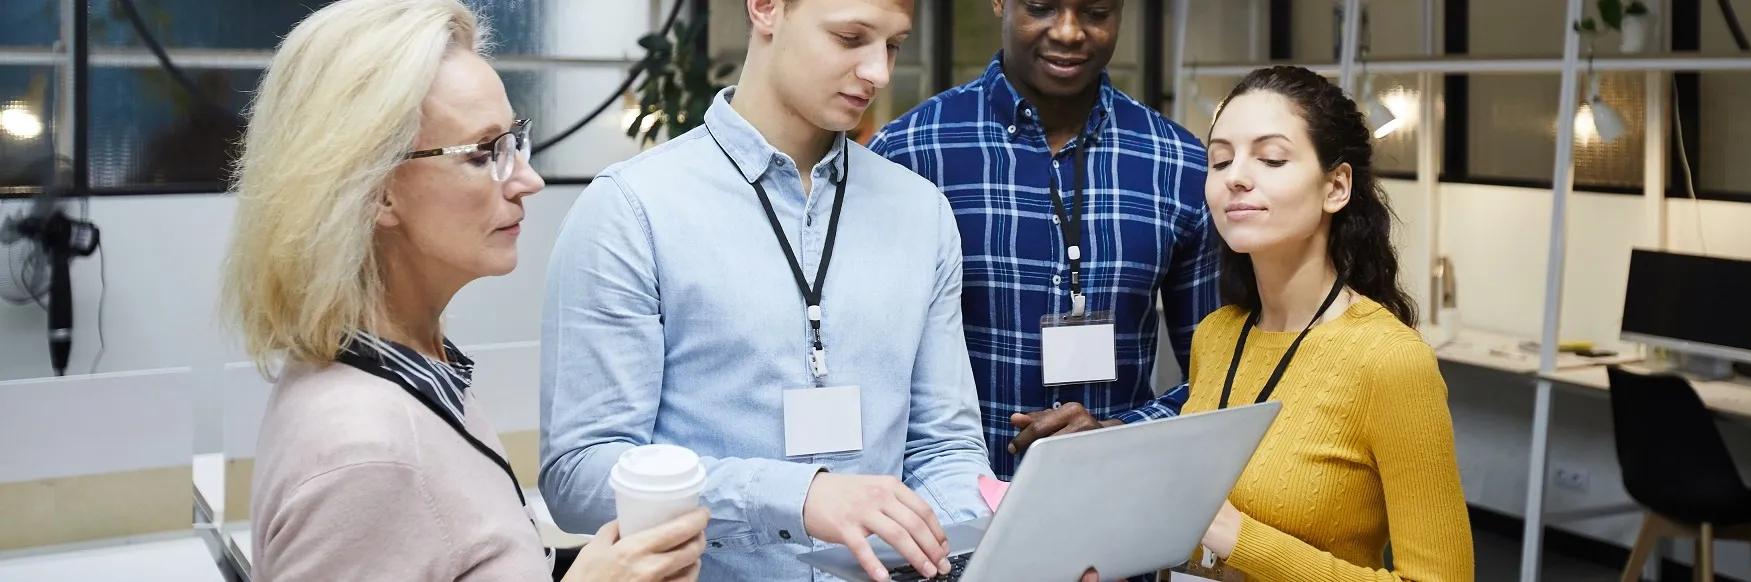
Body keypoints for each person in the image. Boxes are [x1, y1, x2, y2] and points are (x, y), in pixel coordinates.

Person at [223, 1, 707, 580]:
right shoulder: (366, 452)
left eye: (513, 141)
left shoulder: (416, 369)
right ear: (376, 191)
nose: (529, 179)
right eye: (483, 153)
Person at [538, 1, 1008, 581]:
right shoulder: (633, 209)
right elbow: (578, 475)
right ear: (764, 8)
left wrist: (984, 536)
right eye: (850, 37)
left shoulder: (922, 212)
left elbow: (945, 446)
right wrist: (795, 497)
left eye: (892, 45)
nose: (879, 73)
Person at [868, 0, 1216, 478]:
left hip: (1114, 514)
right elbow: (867, 369)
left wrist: (1124, 430)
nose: (1070, 32)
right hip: (948, 523)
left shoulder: (1178, 165)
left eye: (1096, 11)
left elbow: (1222, 376)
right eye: (1042, 7)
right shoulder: (909, 154)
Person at [1173, 65, 1473, 581]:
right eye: (1220, 160)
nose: (1236, 177)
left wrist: (1243, 541)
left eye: (1270, 158)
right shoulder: (1216, 336)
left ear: (1336, 187)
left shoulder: (1389, 360)